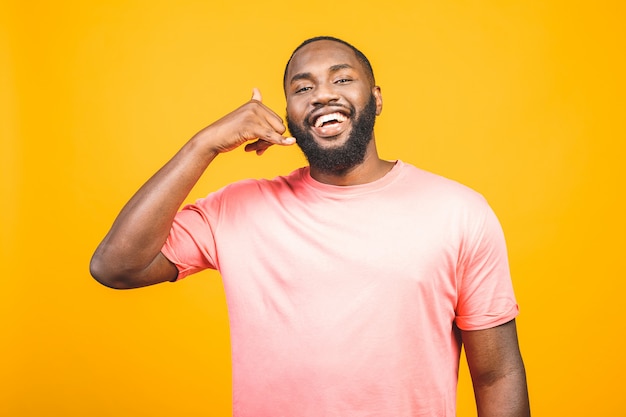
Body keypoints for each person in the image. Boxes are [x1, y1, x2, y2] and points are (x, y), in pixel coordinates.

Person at [90, 36, 530, 416]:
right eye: (303, 88)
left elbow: (497, 374)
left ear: (375, 98)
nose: (322, 95)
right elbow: (116, 267)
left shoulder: (459, 212)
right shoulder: (237, 209)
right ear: (288, 113)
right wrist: (203, 145)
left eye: (341, 79)